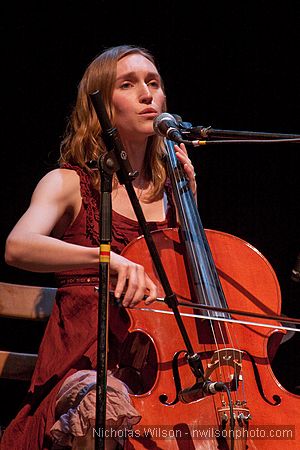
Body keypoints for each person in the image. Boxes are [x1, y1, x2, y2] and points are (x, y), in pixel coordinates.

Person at [1, 44, 197, 450]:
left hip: (157, 373)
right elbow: (18, 246)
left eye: (154, 83)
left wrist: (191, 207)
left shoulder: (173, 195)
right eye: (128, 84)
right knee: (104, 403)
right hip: (83, 370)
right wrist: (108, 257)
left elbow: (189, 298)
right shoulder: (69, 183)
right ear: (101, 109)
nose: (148, 94)